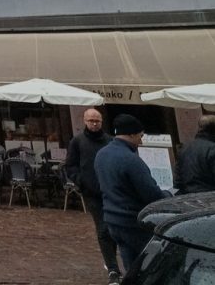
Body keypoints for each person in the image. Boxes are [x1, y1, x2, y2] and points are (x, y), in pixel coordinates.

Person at [95, 114, 170, 272]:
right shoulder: (130, 159)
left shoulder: (102, 154)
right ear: (131, 134)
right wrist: (168, 196)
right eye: (140, 135)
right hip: (133, 221)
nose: (141, 141)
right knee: (152, 266)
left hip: (112, 219)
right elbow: (150, 193)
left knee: (131, 267)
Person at [64, 108, 119, 283]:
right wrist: (81, 182)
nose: (94, 124)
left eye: (97, 121)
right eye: (91, 121)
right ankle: (112, 268)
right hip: (92, 193)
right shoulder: (77, 141)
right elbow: (70, 165)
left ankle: (112, 259)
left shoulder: (110, 141)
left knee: (114, 227)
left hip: (111, 191)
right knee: (103, 229)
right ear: (85, 121)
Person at [175, 114, 215, 194]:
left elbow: (177, 181)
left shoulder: (184, 148)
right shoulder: (212, 149)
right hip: (210, 199)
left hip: (187, 198)